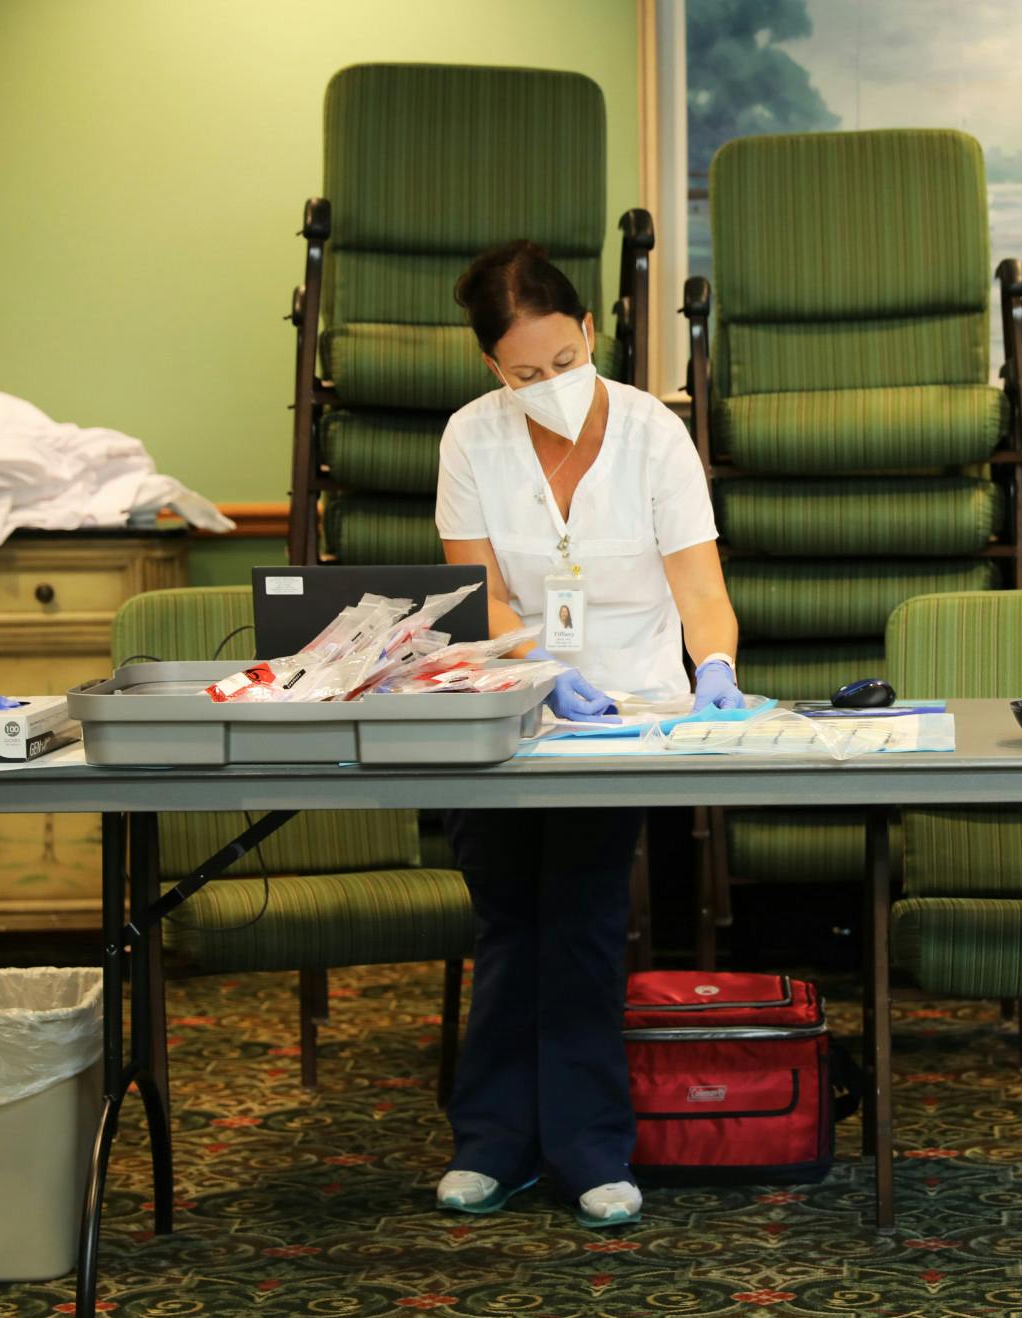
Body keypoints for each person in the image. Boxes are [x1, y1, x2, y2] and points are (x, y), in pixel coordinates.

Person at [432, 239, 744, 1227]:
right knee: (507, 919)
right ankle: (491, 1141)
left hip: (629, 715)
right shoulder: (470, 439)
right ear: (492, 366)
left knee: (579, 916)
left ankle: (589, 1146)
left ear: (589, 332)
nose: (550, 385)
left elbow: (701, 591)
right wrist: (541, 671)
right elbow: (482, 594)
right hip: (511, 704)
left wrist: (715, 669)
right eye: (525, 374)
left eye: (563, 361)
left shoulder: (654, 435)